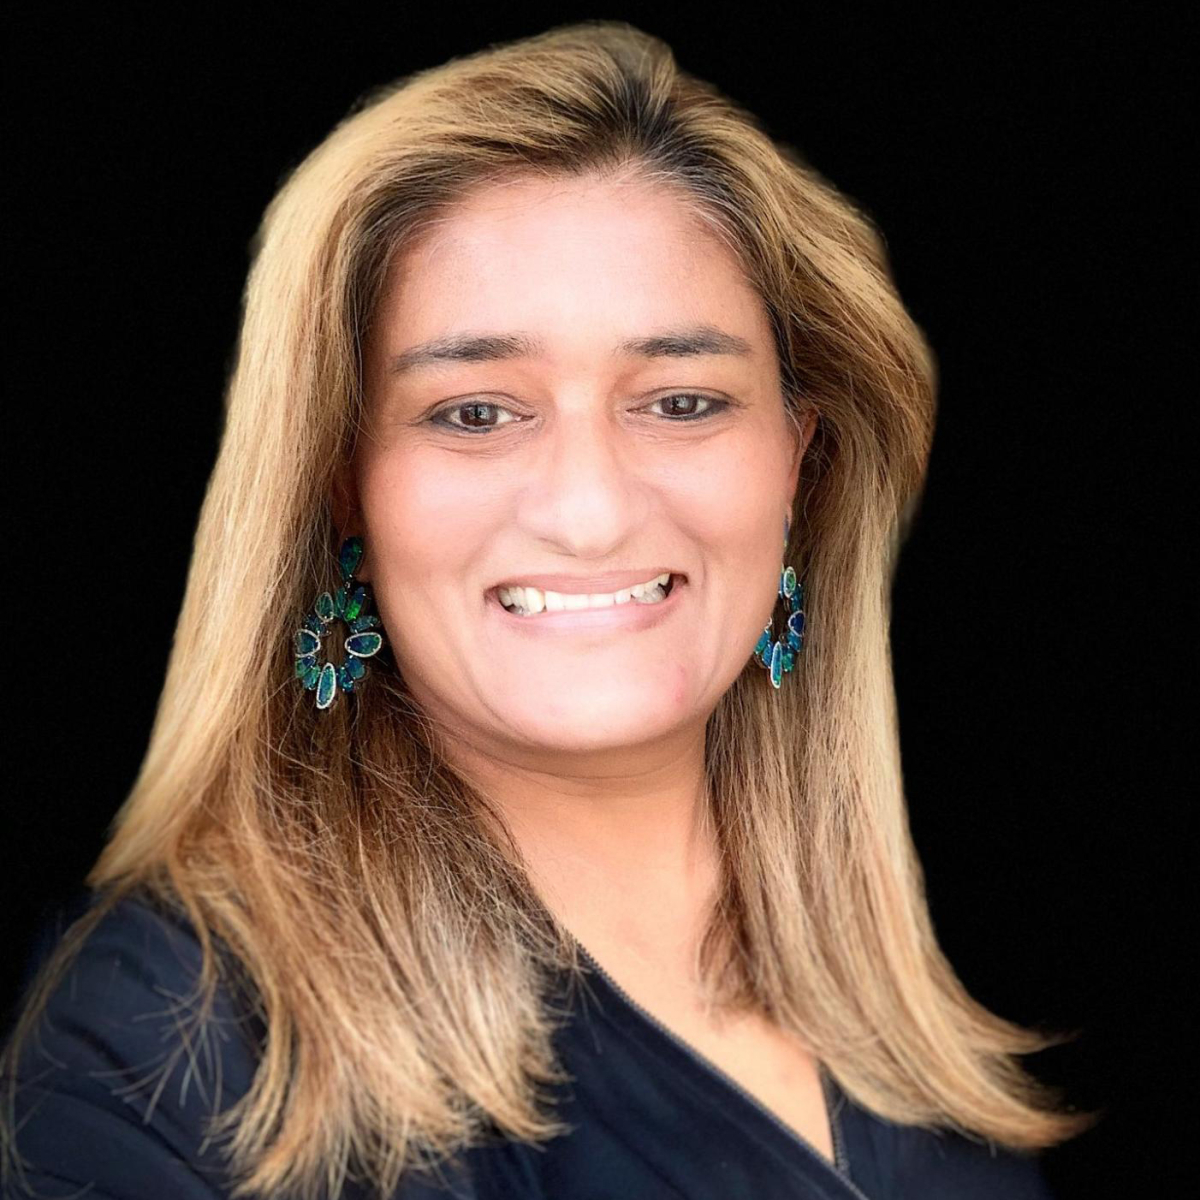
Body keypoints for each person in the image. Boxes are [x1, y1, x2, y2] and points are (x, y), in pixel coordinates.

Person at [0, 19, 1097, 1200]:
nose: (589, 512)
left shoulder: (918, 1062)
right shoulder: (166, 1047)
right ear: (342, 486)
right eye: (475, 412)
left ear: (801, 464)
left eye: (681, 401)